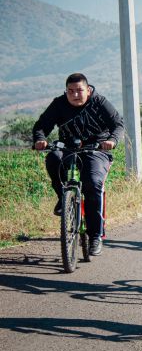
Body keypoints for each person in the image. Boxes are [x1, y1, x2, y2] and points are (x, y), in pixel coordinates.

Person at [32, 73, 124, 256]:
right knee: (53, 158)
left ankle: (95, 236)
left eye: (79, 90)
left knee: (93, 183)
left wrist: (112, 140)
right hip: (67, 148)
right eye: (71, 91)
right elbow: (41, 126)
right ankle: (63, 198)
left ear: (88, 90)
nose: (75, 95)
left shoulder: (99, 102)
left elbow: (118, 124)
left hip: (96, 149)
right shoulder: (58, 104)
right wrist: (40, 139)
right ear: (66, 91)